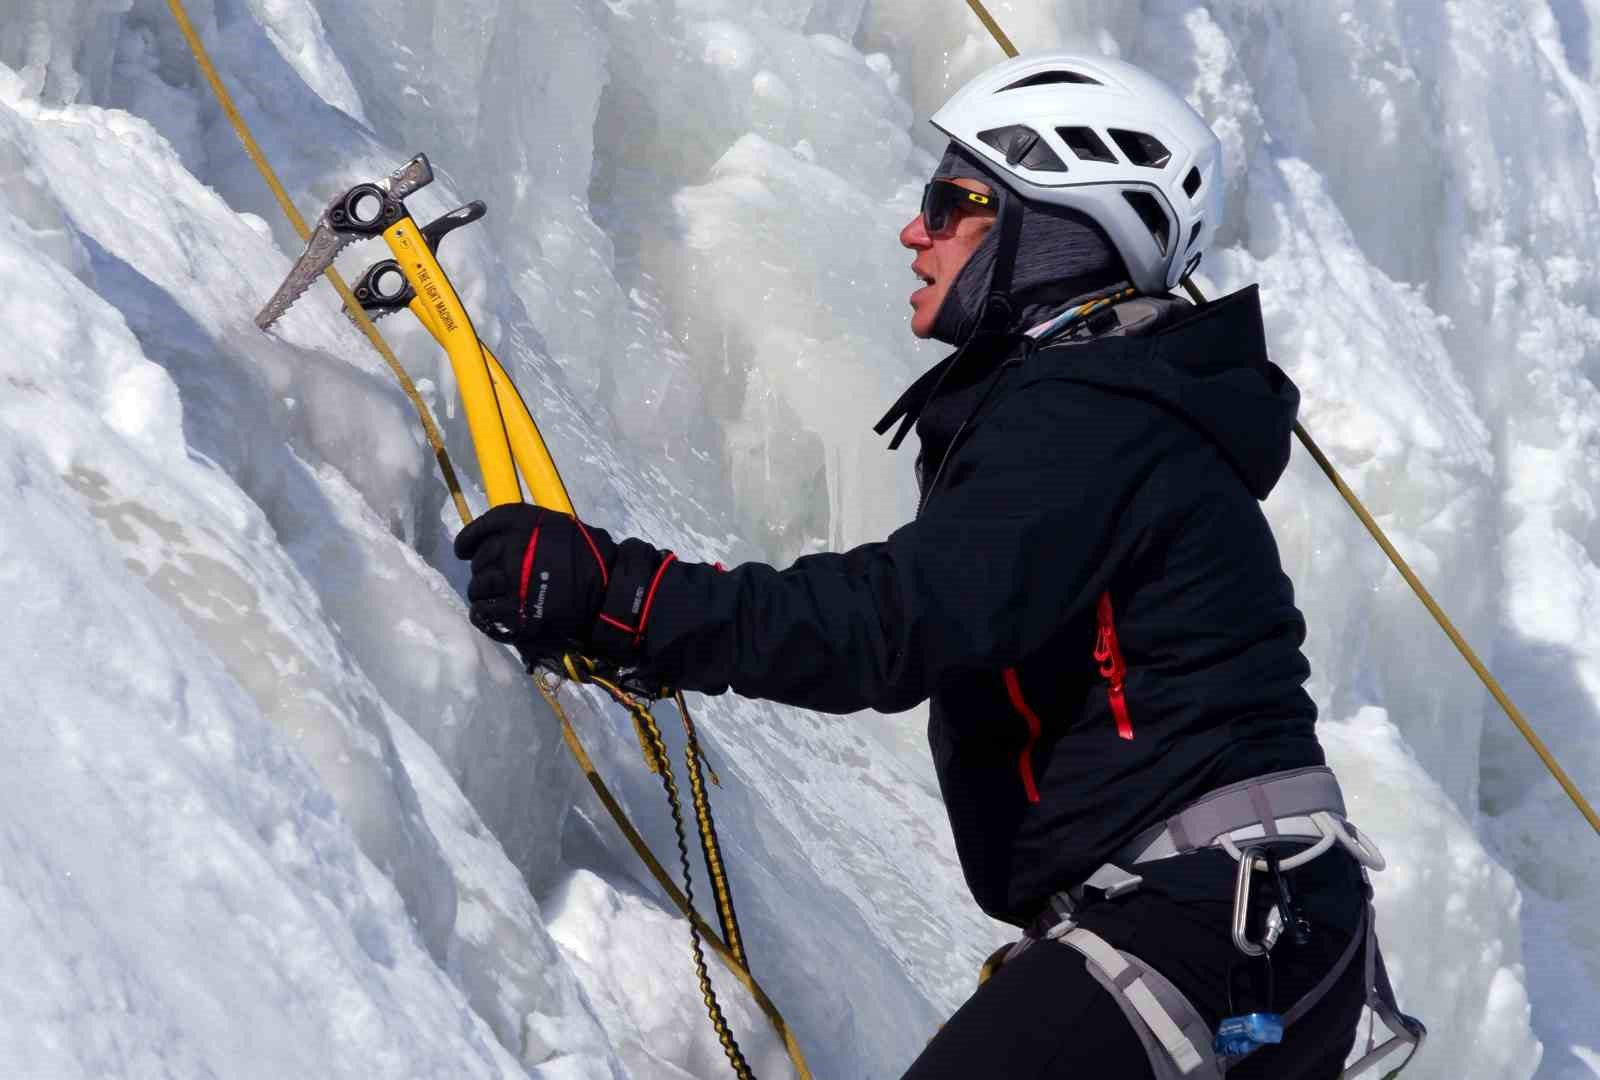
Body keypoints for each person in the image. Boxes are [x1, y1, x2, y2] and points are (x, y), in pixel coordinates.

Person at [456, 51, 1421, 1079]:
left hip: (1210, 925)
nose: (916, 230)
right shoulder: (1116, 407)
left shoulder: (1093, 413)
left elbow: (898, 622)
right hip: (1262, 945)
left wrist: (627, 600)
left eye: (953, 202)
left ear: (1056, 232)